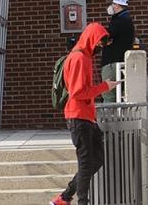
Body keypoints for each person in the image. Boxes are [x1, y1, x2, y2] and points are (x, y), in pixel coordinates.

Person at [50, 22, 118, 205]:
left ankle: (64, 197)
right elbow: (78, 93)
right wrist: (105, 87)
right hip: (79, 116)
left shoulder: (83, 57)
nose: (100, 48)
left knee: (96, 160)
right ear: (92, 40)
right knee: (87, 162)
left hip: (85, 116)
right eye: (99, 44)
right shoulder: (79, 58)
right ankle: (80, 201)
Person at [101, 0, 135, 103]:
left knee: (109, 94)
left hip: (112, 63)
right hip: (121, 61)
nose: (111, 6)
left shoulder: (119, 21)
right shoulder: (126, 19)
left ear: (117, 5)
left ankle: (110, 120)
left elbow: (107, 36)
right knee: (120, 94)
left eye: (113, 3)